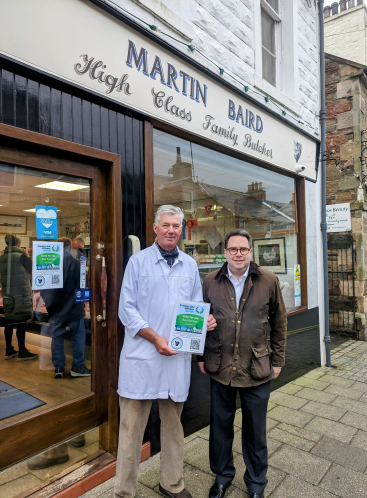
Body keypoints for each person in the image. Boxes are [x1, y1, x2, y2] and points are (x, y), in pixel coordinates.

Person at [114, 205, 216, 498]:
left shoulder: (189, 265)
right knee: (131, 430)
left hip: (176, 359)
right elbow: (126, 309)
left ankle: (172, 483)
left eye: (177, 225)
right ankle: (123, 491)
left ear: (181, 229)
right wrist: (155, 337)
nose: (172, 230)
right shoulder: (138, 262)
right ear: (156, 229)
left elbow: (195, 307)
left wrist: (204, 321)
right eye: (166, 225)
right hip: (142, 359)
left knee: (173, 428)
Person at [198, 229, 287, 498]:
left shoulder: (268, 280)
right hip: (220, 365)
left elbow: (279, 322)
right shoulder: (210, 281)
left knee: (255, 430)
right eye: (233, 249)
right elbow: (200, 319)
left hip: (256, 367)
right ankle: (222, 477)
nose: (238, 254)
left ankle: (256, 482)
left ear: (251, 252)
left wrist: (278, 359)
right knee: (221, 428)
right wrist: (199, 356)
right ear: (224, 252)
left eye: (243, 249)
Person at [41, 237, 91, 378]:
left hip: (57, 308)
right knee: (78, 336)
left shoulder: (52, 259)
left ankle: (59, 368)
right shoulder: (80, 258)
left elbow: (45, 285)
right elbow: (84, 282)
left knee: (57, 337)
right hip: (75, 306)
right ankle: (78, 366)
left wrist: (50, 305)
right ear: (70, 246)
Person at [0, 233, 38, 360]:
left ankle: (9, 349)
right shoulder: (22, 256)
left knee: (9, 322)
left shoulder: (2, 257)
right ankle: (22, 351)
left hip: (8, 295)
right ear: (18, 243)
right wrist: (29, 257)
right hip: (21, 294)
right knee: (21, 322)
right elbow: (34, 270)